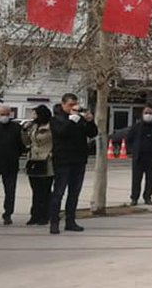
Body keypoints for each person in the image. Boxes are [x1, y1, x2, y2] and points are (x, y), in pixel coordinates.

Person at [50, 93, 98, 234]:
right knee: (58, 192)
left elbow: (92, 133)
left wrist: (89, 121)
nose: (73, 107)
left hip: (78, 160)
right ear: (63, 104)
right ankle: (54, 222)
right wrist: (72, 120)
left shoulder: (79, 118)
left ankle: (70, 221)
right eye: (70, 105)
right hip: (62, 160)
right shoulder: (56, 119)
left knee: (74, 193)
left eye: (75, 104)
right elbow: (61, 132)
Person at [126, 105, 152, 205]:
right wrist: (132, 151)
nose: (148, 115)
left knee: (150, 179)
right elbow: (128, 140)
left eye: (150, 113)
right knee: (136, 179)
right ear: (142, 114)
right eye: (146, 113)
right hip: (139, 158)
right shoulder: (136, 127)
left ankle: (147, 197)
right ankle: (134, 198)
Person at [22, 105, 54, 225]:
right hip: (34, 160)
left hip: (46, 160)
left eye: (35, 114)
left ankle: (45, 215)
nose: (33, 116)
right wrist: (24, 130)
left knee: (45, 190)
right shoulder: (33, 126)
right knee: (35, 190)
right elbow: (26, 142)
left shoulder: (51, 126)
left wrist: (52, 153)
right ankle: (35, 215)